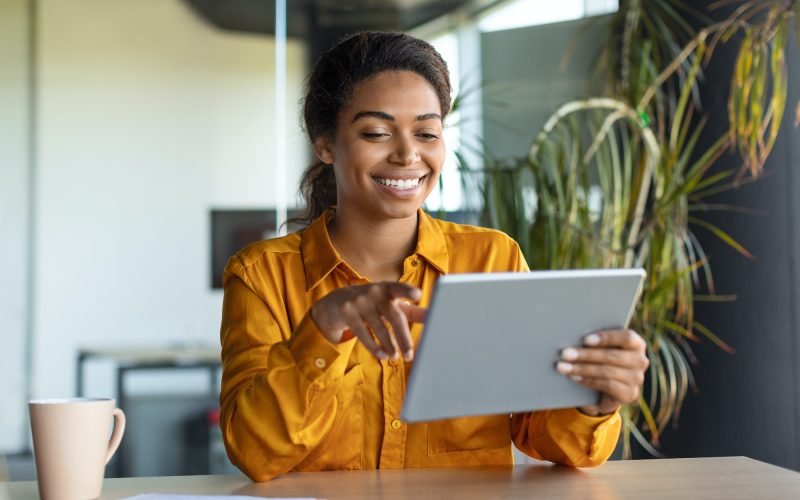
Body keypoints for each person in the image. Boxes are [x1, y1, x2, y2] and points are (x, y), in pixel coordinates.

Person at [219, 31, 649, 482]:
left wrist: (591, 398)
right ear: (324, 144)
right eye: (377, 133)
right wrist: (322, 331)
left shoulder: (492, 258)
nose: (408, 154)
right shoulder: (260, 275)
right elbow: (254, 452)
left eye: (426, 132)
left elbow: (542, 435)